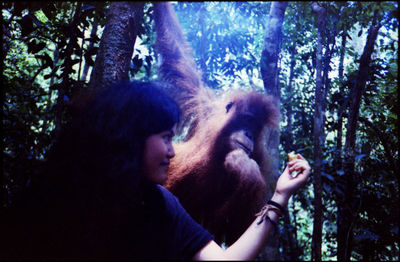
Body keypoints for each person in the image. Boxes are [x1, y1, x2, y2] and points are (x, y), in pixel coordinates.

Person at [0, 81, 311, 260]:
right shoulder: (59, 199)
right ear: (131, 137)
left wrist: (278, 194)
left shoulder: (160, 204)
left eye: (252, 132)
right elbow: (177, 56)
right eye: (165, 137)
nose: (172, 149)